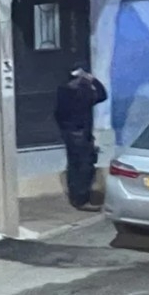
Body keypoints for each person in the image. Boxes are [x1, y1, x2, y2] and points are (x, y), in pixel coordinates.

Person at [54, 63, 107, 210]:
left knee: (74, 166)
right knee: (84, 168)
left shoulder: (62, 92)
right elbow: (102, 95)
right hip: (81, 135)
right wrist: (92, 80)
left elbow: (57, 114)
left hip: (70, 135)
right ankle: (81, 200)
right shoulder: (82, 94)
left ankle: (76, 197)